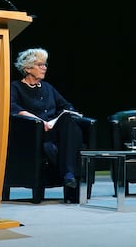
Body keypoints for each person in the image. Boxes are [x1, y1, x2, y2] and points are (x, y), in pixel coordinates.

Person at [10, 48, 84, 191]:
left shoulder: (48, 87)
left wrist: (70, 113)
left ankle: (69, 175)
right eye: (40, 65)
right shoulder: (16, 87)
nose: (44, 68)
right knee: (63, 142)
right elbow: (13, 108)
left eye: (45, 64)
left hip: (53, 130)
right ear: (28, 68)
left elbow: (65, 105)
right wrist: (39, 121)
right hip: (33, 133)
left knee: (69, 120)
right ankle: (69, 175)